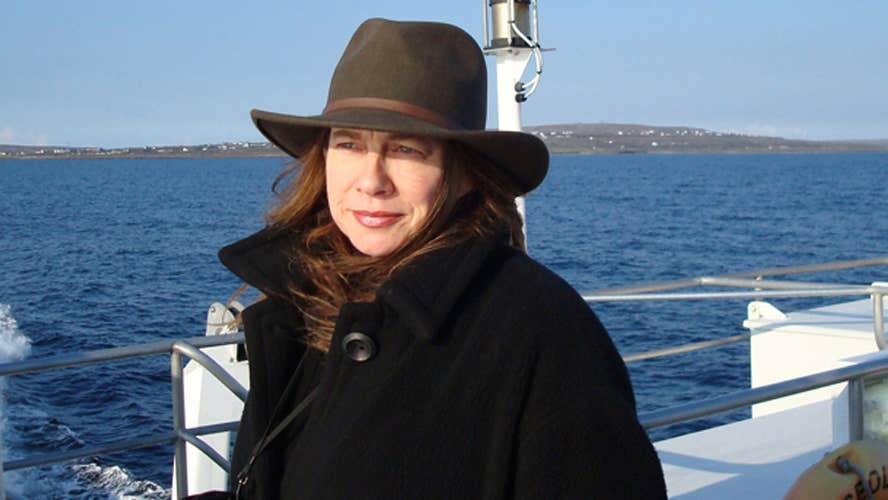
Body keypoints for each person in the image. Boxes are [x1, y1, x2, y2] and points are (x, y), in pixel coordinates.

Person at [212, 17, 666, 499]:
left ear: (465, 173)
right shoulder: (305, 299)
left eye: (406, 148)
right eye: (349, 144)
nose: (371, 180)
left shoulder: (540, 331)